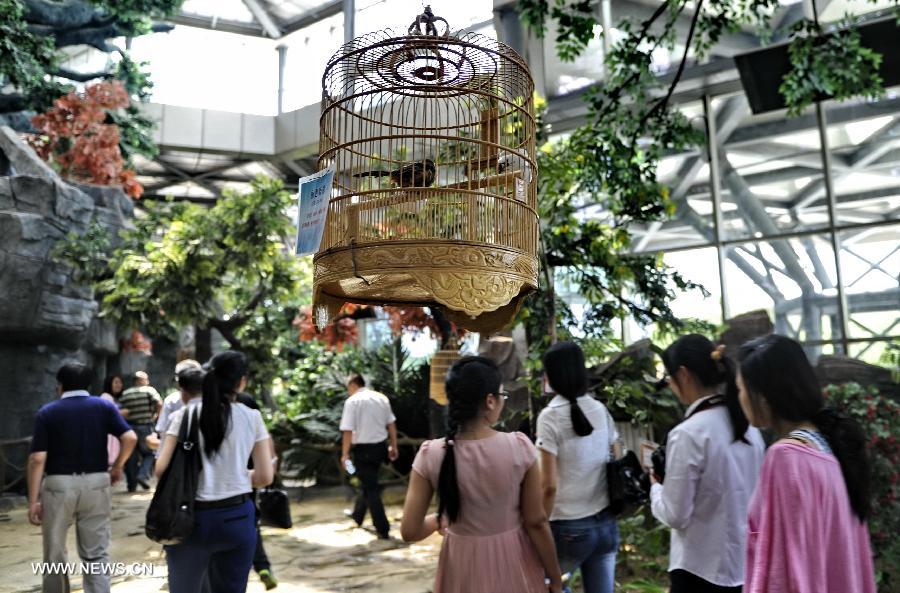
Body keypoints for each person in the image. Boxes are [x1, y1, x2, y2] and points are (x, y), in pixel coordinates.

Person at [401, 356, 564, 593]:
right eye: (502, 395)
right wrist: (554, 577)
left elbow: (410, 531)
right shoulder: (518, 447)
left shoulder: (431, 454)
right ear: (489, 401)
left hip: (461, 567)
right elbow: (536, 522)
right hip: (513, 563)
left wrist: (443, 518)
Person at [737, 335, 875, 593]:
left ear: (764, 397)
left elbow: (786, 571)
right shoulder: (829, 447)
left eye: (741, 389)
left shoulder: (786, 459)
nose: (740, 398)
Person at [651, 334, 765, 593]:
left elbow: (675, 515)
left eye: (669, 378)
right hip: (745, 568)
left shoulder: (688, 433)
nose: (670, 385)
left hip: (699, 571)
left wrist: (655, 488)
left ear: (683, 375)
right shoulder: (750, 430)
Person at [155, 351, 274, 593]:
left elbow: (161, 470)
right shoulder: (252, 417)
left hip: (189, 521)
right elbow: (264, 477)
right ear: (241, 382)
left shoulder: (183, 416)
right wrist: (236, 477)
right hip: (237, 519)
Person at [27, 362, 138, 593]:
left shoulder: (48, 412)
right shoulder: (103, 407)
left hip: (59, 485)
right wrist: (117, 467)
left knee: (54, 553)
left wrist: (33, 501)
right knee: (96, 553)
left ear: (60, 386)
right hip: (97, 483)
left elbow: (37, 459)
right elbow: (130, 438)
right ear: (89, 384)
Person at [536, 342, 621, 593]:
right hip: (606, 524)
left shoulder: (550, 417)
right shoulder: (601, 410)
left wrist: (539, 524)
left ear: (551, 376)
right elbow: (616, 457)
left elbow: (548, 486)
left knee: (548, 586)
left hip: (568, 528)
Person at [339, 373, 399, 539]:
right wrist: (393, 446)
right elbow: (391, 424)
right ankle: (357, 515)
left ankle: (383, 528)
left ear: (353, 385)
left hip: (363, 450)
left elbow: (347, 430)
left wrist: (344, 454)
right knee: (368, 481)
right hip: (380, 448)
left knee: (370, 486)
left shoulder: (352, 401)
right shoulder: (381, 398)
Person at [236, 390, 278, 591]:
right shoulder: (254, 417)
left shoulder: (224, 419)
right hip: (252, 479)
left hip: (233, 481)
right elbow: (269, 454)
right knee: (251, 521)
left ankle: (254, 568)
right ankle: (263, 567)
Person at [119, 371, 162, 491]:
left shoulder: (126, 393)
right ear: (140, 380)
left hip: (130, 428)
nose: (147, 382)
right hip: (145, 426)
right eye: (146, 379)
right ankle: (142, 475)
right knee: (150, 453)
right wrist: (157, 417)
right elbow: (159, 403)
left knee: (131, 457)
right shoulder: (149, 390)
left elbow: (121, 411)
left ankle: (131, 485)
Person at [99, 374, 126, 468]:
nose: (119, 385)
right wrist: (121, 413)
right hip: (109, 436)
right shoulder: (105, 397)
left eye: (120, 382)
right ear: (109, 384)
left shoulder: (114, 399)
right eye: (116, 382)